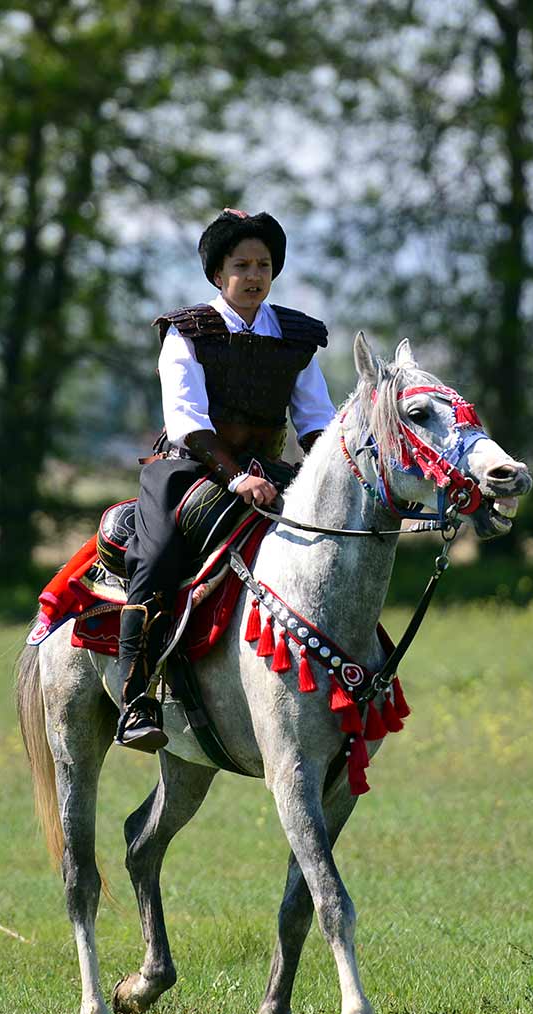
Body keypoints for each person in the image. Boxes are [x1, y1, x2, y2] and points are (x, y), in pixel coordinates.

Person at [116, 208, 336, 753]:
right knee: (160, 553)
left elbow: (315, 422)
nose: (254, 275)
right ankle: (136, 696)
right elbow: (188, 422)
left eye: (263, 264)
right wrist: (236, 478)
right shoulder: (185, 333)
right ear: (218, 274)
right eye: (242, 265)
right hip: (189, 469)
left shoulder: (298, 337)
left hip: (272, 472)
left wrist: (335, 476)